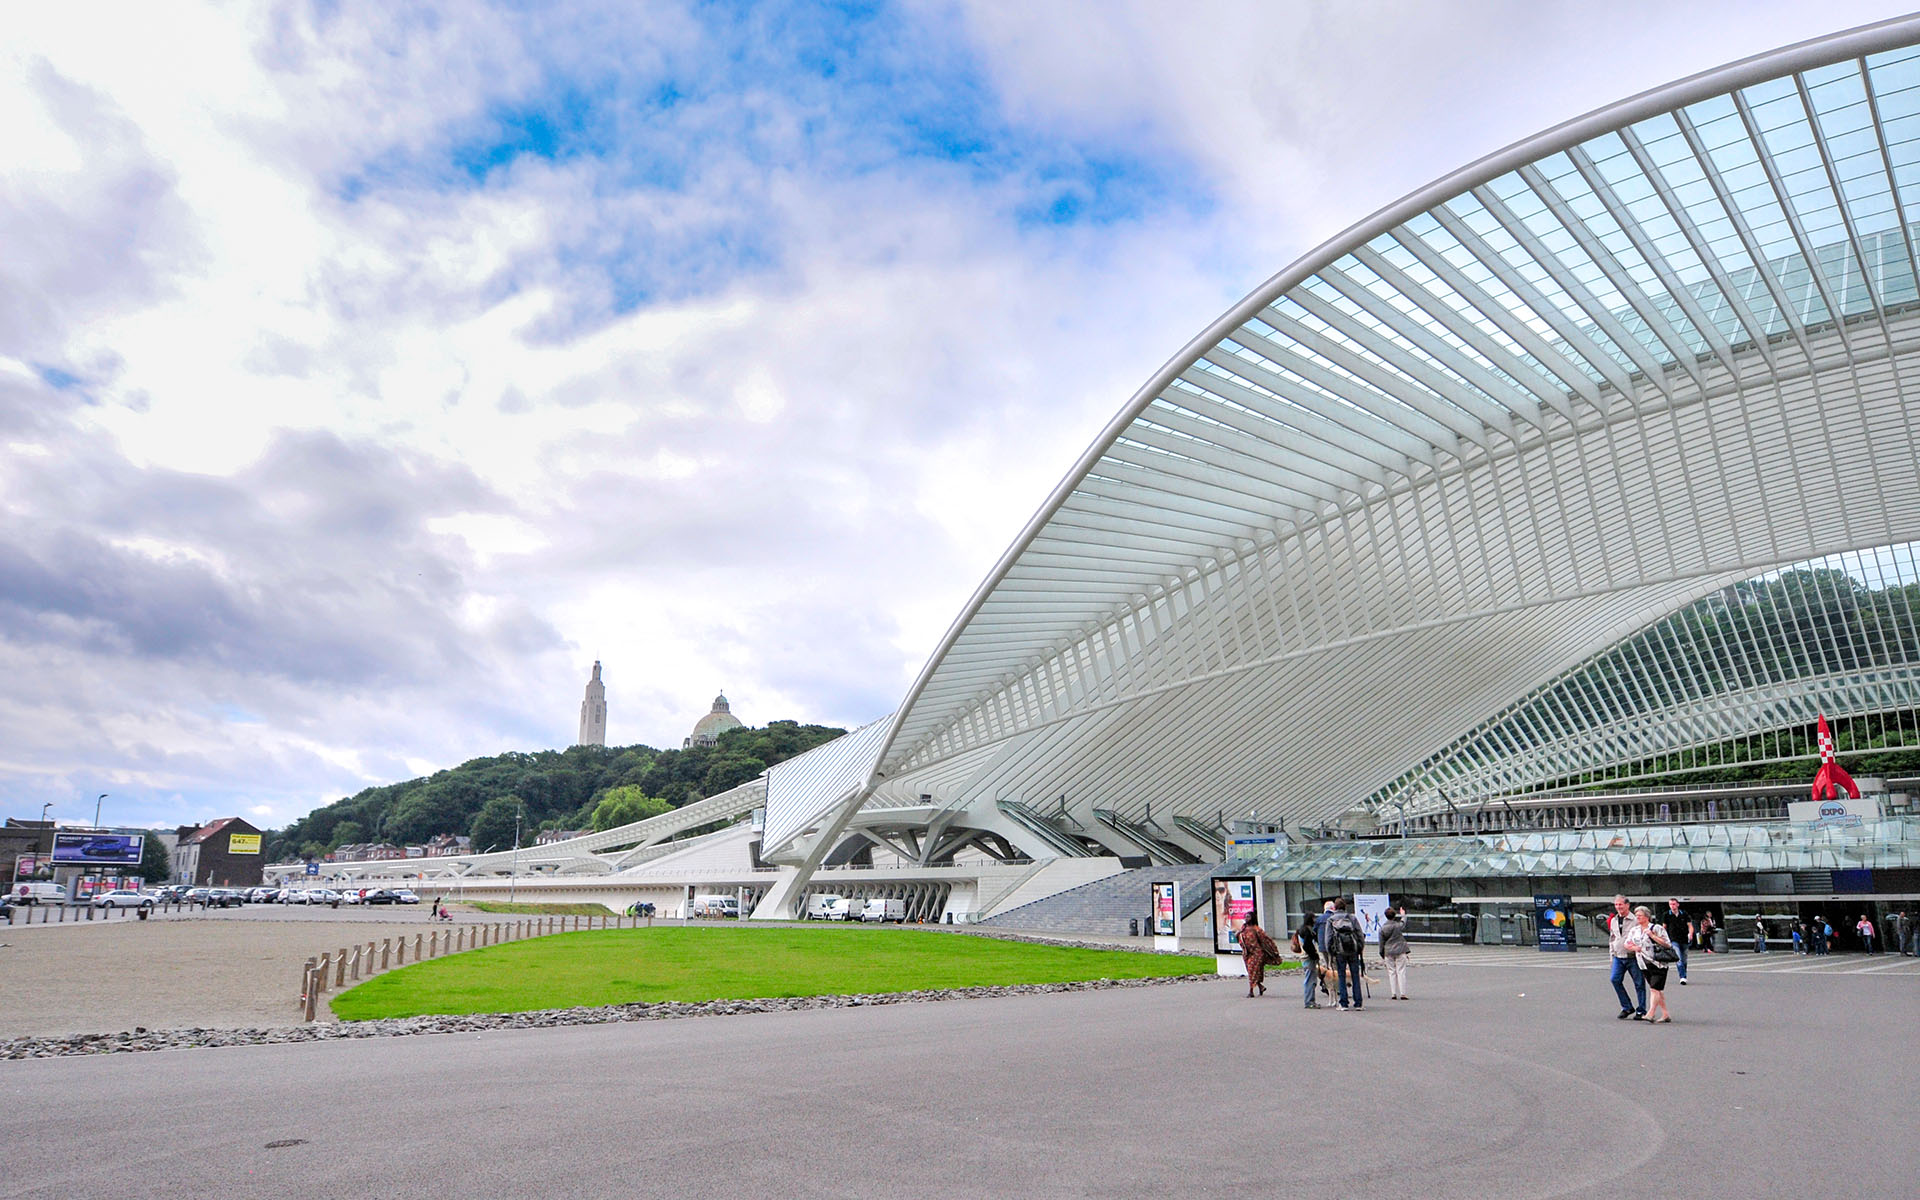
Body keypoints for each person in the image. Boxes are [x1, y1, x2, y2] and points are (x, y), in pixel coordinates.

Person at [1629, 906, 1675, 1024]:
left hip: (1658, 962)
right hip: (1643, 962)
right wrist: (1634, 947)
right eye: (1636, 915)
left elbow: (1667, 944)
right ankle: (1665, 1014)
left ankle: (1651, 1013)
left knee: (1654, 989)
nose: (1637, 917)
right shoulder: (1634, 930)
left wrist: (1653, 936)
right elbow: (1627, 943)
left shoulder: (1657, 928)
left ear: (1647, 916)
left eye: (1640, 915)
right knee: (1657, 990)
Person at [1608, 894, 1647, 1020]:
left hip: (1633, 956)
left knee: (1639, 983)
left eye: (1620, 904)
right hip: (1618, 956)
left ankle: (1641, 1010)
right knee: (1615, 979)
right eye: (1616, 905)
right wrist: (1611, 955)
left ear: (1627, 905)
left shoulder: (1635, 920)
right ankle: (1627, 1007)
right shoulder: (1613, 920)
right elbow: (1612, 938)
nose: (1618, 907)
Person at [1324, 899, 1366, 1011]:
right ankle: (1358, 1003)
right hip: (1353, 950)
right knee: (1355, 976)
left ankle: (1344, 1003)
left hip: (1339, 951)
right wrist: (1360, 947)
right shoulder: (1352, 918)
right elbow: (1359, 934)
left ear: (1335, 908)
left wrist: (1330, 952)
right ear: (1345, 907)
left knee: (1341, 976)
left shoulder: (1331, 919)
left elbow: (1328, 938)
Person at [1238, 915, 1281, 998]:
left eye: (1248, 917)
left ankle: (1251, 991)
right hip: (1247, 953)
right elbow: (1240, 938)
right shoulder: (1243, 928)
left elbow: (1266, 940)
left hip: (1257, 953)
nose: (1246, 918)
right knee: (1252, 971)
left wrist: (1273, 950)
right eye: (1245, 917)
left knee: (1252, 970)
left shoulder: (1257, 929)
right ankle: (1260, 987)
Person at [1378, 907, 1411, 1000]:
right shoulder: (1397, 926)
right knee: (1401, 971)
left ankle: (1393, 993)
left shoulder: (1382, 929)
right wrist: (1403, 914)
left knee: (1391, 972)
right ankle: (1403, 993)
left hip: (1388, 951)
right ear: (1394, 916)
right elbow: (1403, 923)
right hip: (1400, 950)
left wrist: (1382, 954)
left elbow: (1381, 943)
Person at [1661, 899, 1694, 985]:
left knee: (1684, 959)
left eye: (1674, 904)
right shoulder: (1667, 914)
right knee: (1678, 958)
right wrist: (1663, 938)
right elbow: (1664, 927)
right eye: (1671, 904)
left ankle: (1684, 974)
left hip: (1684, 939)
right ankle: (1682, 977)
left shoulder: (1684, 914)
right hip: (1673, 939)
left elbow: (1690, 925)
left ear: (1678, 905)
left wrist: (1690, 934)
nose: (1672, 906)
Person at [1295, 910, 1324, 1009]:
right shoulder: (1307, 931)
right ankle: (1309, 1001)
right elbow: (1308, 945)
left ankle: (1310, 1000)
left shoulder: (1302, 930)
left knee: (1309, 979)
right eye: (1314, 918)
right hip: (1308, 958)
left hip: (1304, 958)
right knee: (1310, 980)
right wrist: (1314, 955)